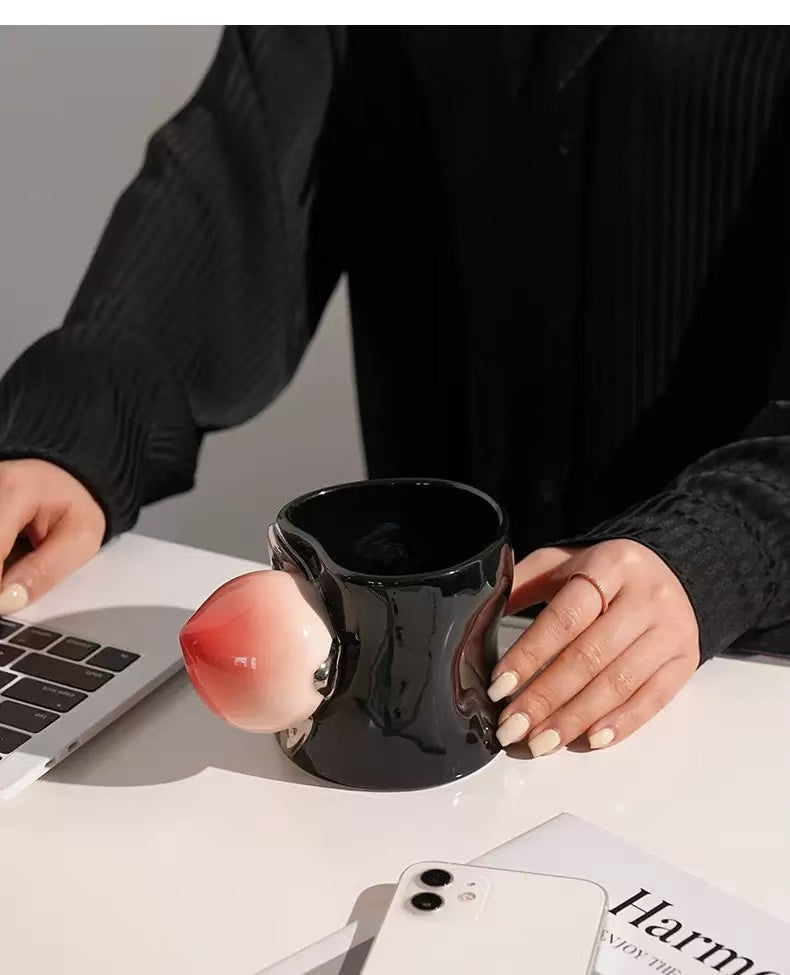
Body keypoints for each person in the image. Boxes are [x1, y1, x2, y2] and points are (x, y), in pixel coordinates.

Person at [1, 27, 788, 759]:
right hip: (409, 703)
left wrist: (720, 549)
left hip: (727, 697)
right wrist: (72, 432)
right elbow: (241, 174)